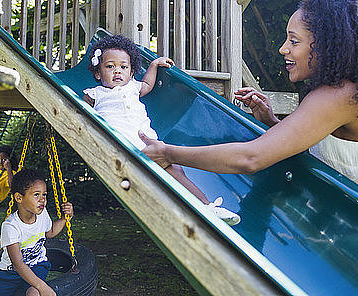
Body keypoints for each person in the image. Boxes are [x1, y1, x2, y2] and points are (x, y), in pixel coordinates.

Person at [140, 0, 358, 213]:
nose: (283, 48)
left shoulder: (339, 96)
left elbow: (250, 159)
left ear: (328, 45)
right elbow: (318, 148)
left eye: (294, 41)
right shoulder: (355, 89)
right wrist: (271, 121)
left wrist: (167, 153)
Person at [83, 34, 241, 225]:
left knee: (176, 169)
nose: (117, 71)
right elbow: (83, 114)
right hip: (123, 146)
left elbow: (148, 85)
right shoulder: (95, 94)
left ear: (131, 73)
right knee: (162, 175)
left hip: (149, 143)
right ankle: (196, 209)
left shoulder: (133, 87)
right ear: (98, 73)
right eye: (110, 66)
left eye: (123, 67)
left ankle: (205, 206)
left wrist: (154, 65)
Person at [0, 169, 74, 296]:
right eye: (36, 195)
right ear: (19, 197)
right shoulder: (11, 226)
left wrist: (66, 218)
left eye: (44, 195)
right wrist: (42, 286)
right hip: (9, 273)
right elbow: (18, 263)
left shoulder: (42, 214)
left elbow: (50, 232)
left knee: (34, 294)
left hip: (37, 266)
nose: (42, 200)